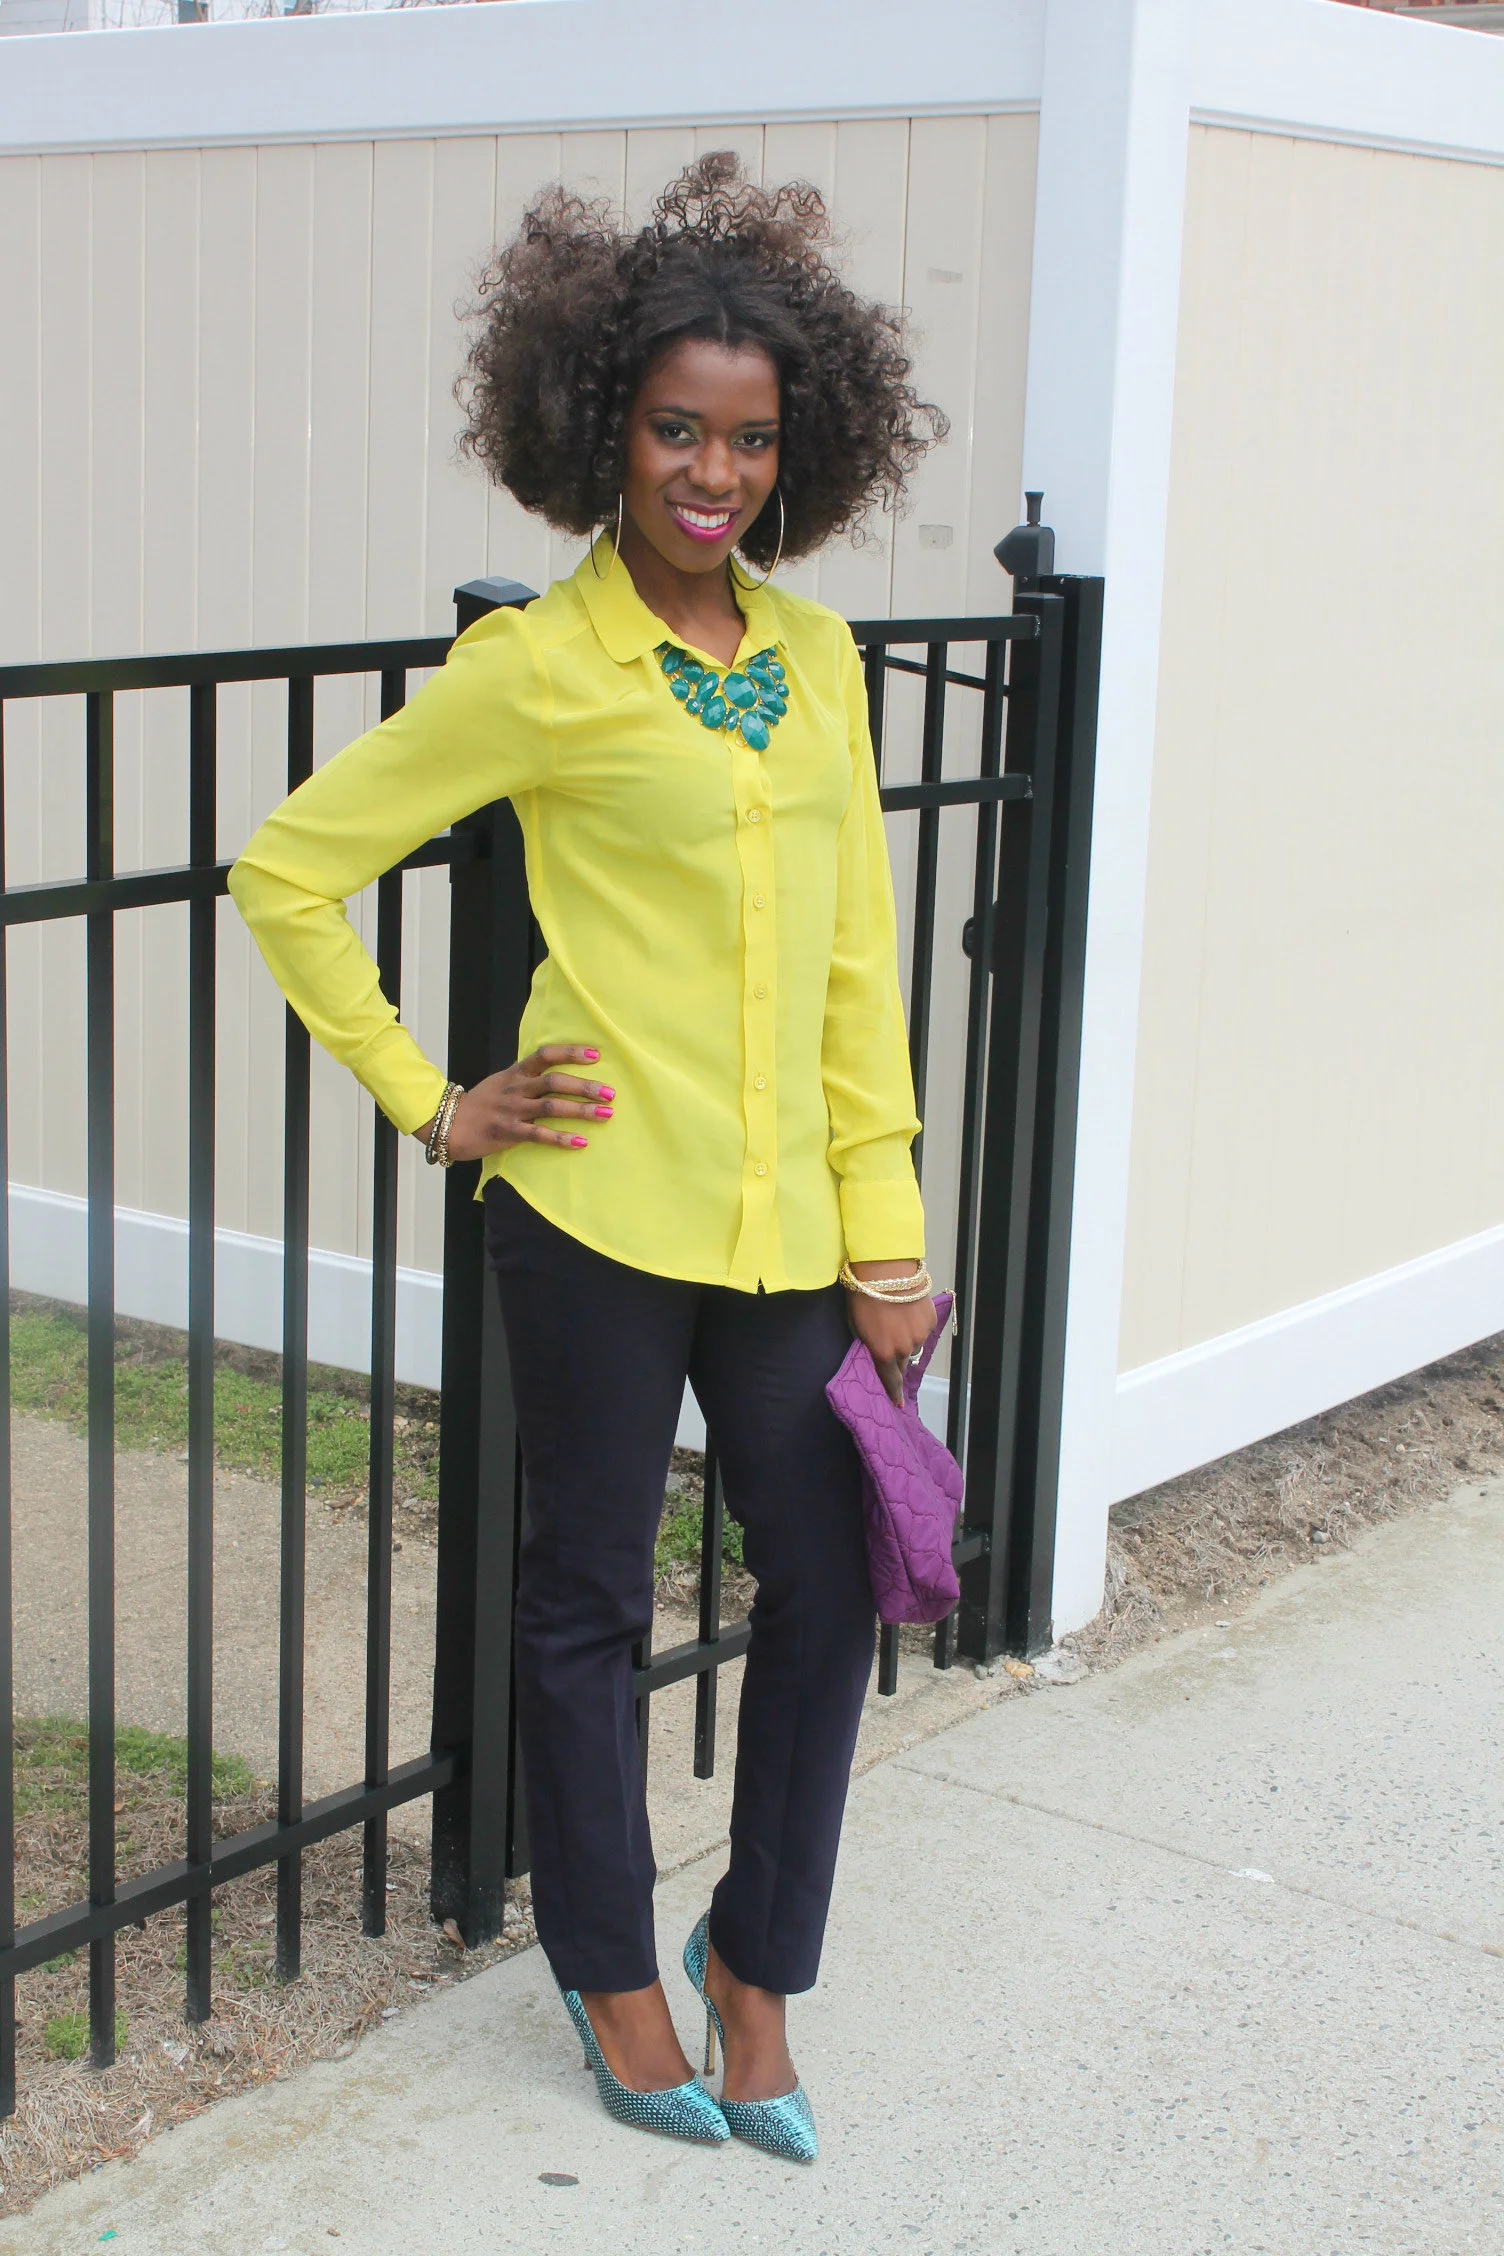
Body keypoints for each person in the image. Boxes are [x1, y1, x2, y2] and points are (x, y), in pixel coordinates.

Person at [229, 154, 945, 2163]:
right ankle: (611, 1970)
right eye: (675, 430)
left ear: (797, 448)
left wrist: (886, 1236)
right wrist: (430, 1096)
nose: (713, 473)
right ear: (602, 428)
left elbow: (855, 968)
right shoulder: (536, 670)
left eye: (750, 439)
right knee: (585, 1602)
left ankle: (757, 1962)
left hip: (791, 1231)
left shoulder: (820, 662)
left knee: (827, 1581)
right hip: (598, 1216)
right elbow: (286, 871)